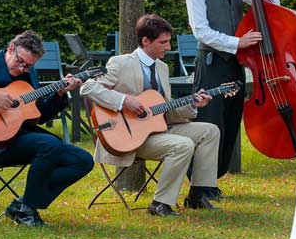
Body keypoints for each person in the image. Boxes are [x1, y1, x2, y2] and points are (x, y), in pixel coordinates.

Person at [0, 30, 94, 226]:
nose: (23, 68)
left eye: (29, 65)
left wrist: (59, 94)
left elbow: (38, 116)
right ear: (11, 48)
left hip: (21, 137)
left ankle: (22, 205)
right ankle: (27, 212)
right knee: (49, 144)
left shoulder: (28, 73)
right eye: (20, 61)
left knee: (82, 160)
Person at [80, 14, 220, 216]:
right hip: (128, 137)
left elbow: (165, 109)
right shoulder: (120, 63)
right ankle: (160, 204)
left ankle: (198, 194)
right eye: (163, 42)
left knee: (210, 130)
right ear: (145, 41)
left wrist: (193, 105)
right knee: (183, 145)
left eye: (169, 41)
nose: (169, 47)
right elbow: (87, 87)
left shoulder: (162, 68)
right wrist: (123, 101)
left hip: (159, 128)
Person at [185, 0, 280, 188]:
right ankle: (199, 185)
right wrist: (238, 43)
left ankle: (213, 181)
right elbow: (201, 32)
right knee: (209, 123)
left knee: (229, 123)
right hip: (211, 65)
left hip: (235, 66)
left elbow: (270, 6)